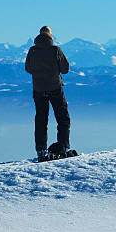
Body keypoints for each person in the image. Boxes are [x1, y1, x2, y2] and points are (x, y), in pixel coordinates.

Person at [25, 26, 72, 161]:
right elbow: (65, 69)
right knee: (62, 118)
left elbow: (28, 68)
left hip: (38, 89)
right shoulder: (56, 50)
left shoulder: (32, 50)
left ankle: (41, 149)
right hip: (55, 88)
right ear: (51, 36)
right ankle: (63, 146)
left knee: (41, 119)